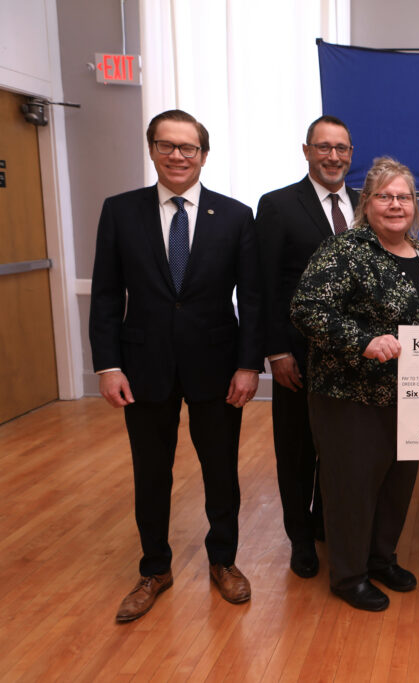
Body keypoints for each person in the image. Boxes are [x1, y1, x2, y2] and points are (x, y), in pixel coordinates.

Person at [90, 109, 263, 623]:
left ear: (204, 155)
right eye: (167, 145)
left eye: (188, 147)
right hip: (143, 367)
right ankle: (154, 568)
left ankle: (223, 560)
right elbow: (106, 295)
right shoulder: (120, 211)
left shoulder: (235, 216)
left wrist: (248, 365)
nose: (178, 156)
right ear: (152, 150)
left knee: (221, 471)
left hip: (218, 366)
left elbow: (253, 300)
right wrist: (107, 365)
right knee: (150, 472)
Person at [291, 156, 419, 612]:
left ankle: (381, 559)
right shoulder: (344, 250)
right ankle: (349, 575)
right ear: (367, 203)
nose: (395, 205)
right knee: (352, 488)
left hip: (410, 395)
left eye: (404, 197)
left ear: (415, 205)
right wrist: (364, 341)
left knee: (397, 485)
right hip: (350, 395)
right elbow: (306, 309)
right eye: (385, 196)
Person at [255, 115, 359, 579]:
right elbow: (263, 284)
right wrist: (276, 351)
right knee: (297, 451)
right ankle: (300, 538)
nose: (333, 156)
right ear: (306, 151)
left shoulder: (367, 204)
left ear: (350, 154)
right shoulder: (277, 205)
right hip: (298, 354)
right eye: (323, 147)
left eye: (341, 148)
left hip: (355, 356)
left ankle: (323, 524)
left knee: (339, 449)